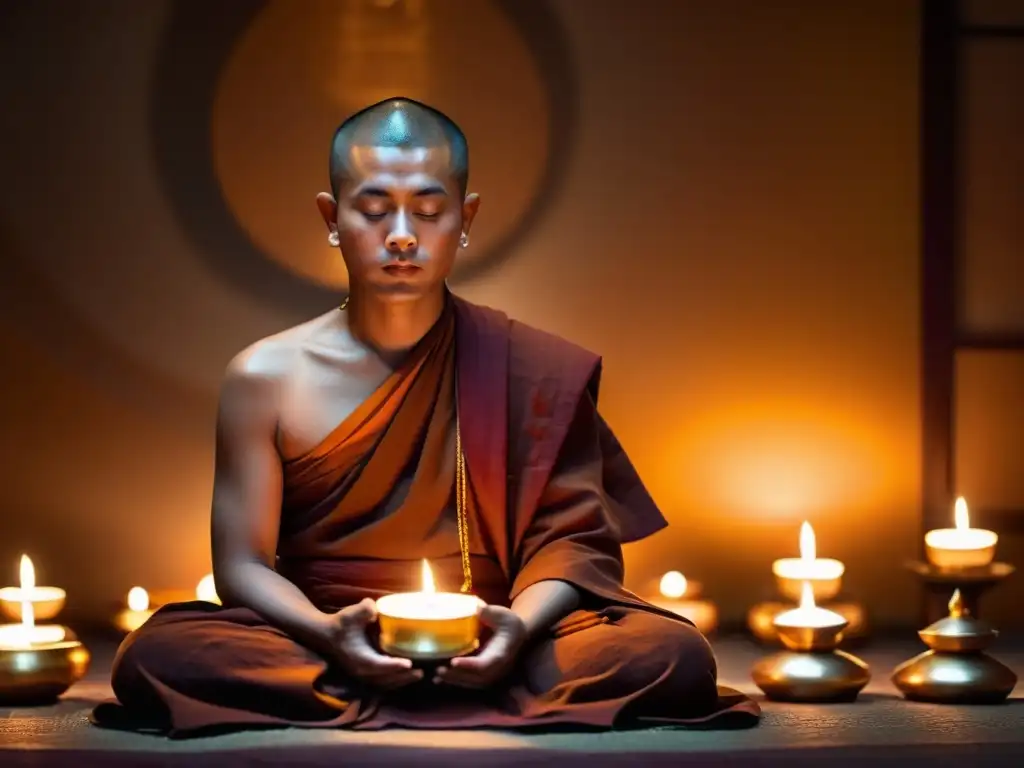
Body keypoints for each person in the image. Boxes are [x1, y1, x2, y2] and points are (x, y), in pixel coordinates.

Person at [90, 97, 760, 737]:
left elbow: (572, 546)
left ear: (466, 218)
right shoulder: (265, 376)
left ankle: (420, 684)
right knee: (159, 656)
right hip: (325, 627)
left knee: (671, 652)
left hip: (497, 622)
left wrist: (518, 631)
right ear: (331, 216)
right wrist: (328, 634)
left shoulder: (523, 366)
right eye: (375, 210)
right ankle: (453, 693)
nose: (403, 237)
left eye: (430, 210)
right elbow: (240, 566)